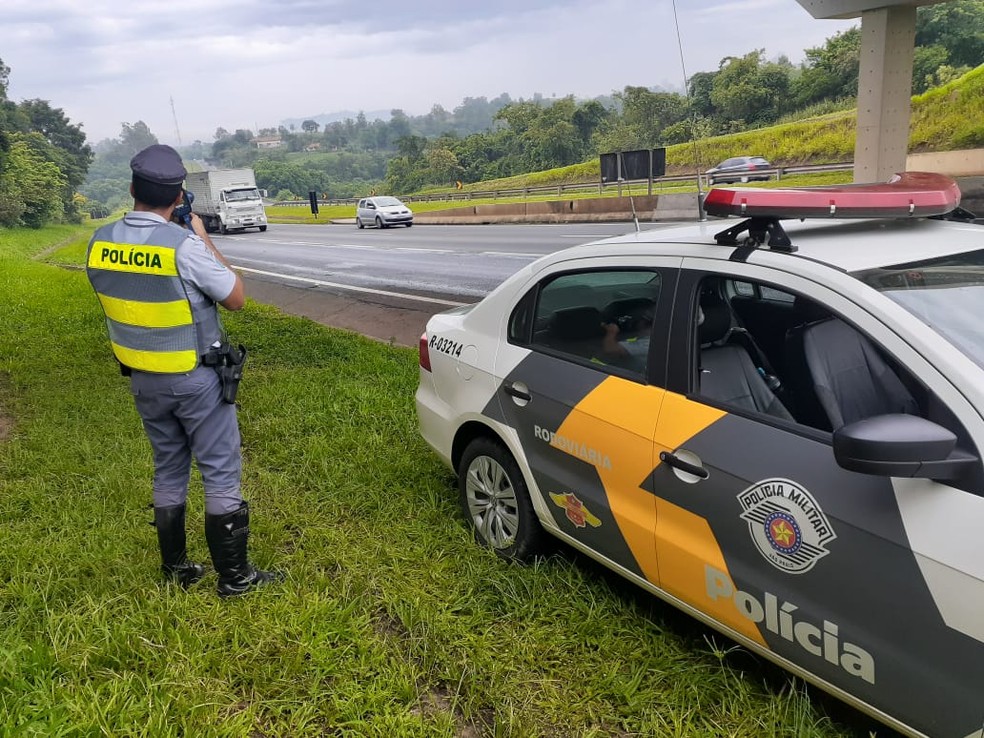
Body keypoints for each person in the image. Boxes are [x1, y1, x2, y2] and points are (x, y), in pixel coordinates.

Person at [85, 144, 282, 597]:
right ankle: (235, 577)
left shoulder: (100, 242)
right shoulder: (182, 246)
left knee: (168, 467)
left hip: (142, 378)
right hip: (196, 377)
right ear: (178, 196)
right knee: (219, 469)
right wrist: (199, 235)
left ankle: (176, 569)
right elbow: (235, 296)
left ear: (132, 188)